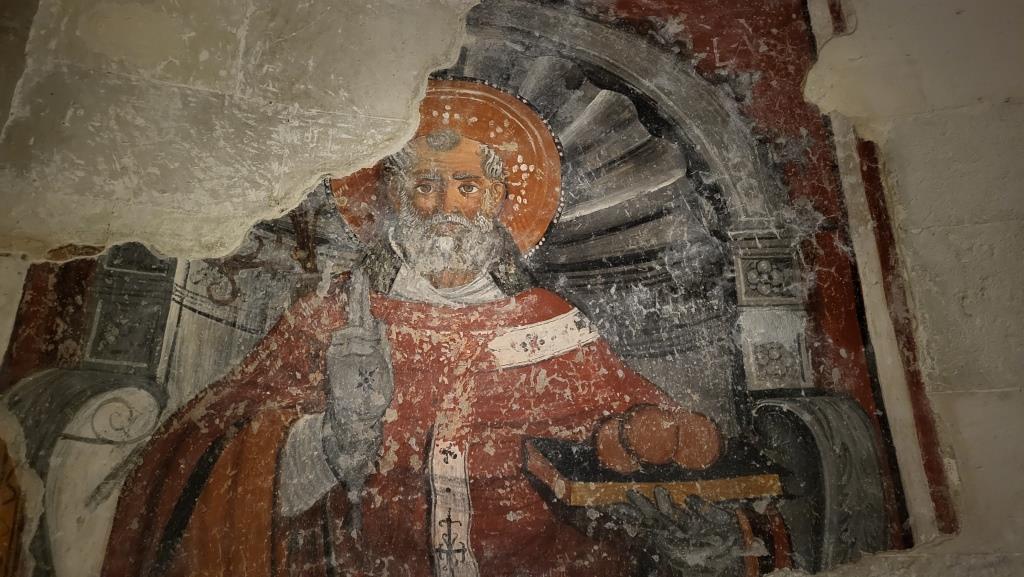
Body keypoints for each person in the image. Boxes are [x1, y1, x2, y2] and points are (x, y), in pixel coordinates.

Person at [101, 82, 741, 577]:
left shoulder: (550, 323)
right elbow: (211, 442)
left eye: (467, 186)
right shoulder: (331, 318)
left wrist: (653, 458)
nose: (446, 208)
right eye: (424, 186)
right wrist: (333, 437)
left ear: (498, 201)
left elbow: (645, 434)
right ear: (391, 201)